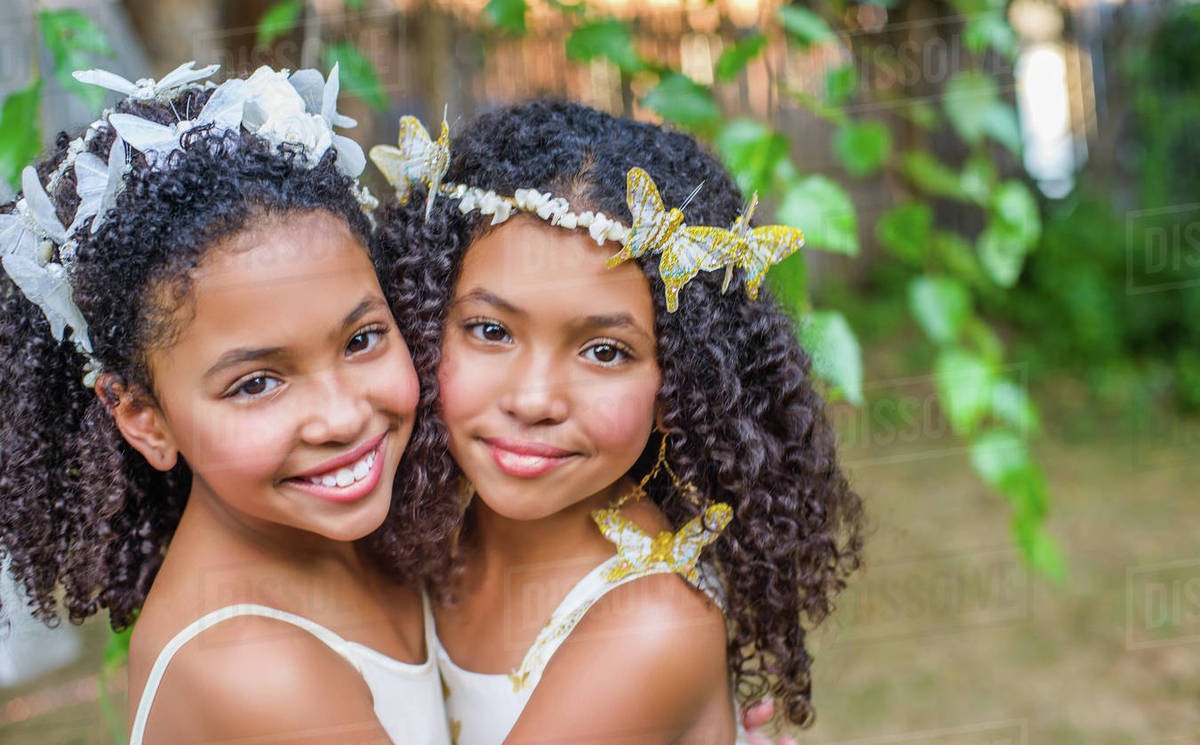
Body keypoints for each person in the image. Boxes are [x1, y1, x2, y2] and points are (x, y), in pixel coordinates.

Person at [373, 100, 866, 744]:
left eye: (605, 351)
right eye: (491, 330)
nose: (534, 399)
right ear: (426, 321)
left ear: (677, 386)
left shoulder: (647, 628)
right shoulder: (431, 523)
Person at [0, 63, 460, 745]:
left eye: (362, 338)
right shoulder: (256, 671)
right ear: (144, 419)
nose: (340, 415)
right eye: (256, 382)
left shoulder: (373, 539)